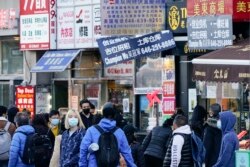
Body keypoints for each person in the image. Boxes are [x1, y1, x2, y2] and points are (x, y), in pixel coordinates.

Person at [79, 102, 136, 167]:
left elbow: (83, 150)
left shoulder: (91, 130)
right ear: (115, 114)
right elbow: (127, 153)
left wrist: (83, 165)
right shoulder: (119, 132)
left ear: (103, 114)